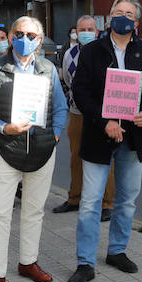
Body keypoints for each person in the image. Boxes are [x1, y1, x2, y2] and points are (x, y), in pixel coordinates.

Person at [67, 0, 142, 282]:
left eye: (129, 14)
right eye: (118, 12)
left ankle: (117, 251)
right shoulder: (92, 51)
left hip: (134, 138)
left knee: (126, 200)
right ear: (109, 17)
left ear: (136, 22)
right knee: (90, 202)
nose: (123, 17)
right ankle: (85, 263)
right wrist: (105, 121)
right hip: (100, 136)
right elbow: (81, 93)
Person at [0, 16, 67, 282]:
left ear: (39, 41)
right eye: (19, 33)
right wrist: (4, 127)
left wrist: (55, 136)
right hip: (6, 149)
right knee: (0, 214)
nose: (24, 39)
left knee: (34, 211)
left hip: (42, 150)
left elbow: (60, 107)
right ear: (11, 36)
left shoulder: (48, 69)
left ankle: (28, 262)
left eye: (31, 35)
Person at [54, 15, 114, 220]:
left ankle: (107, 203)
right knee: (76, 157)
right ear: (76, 33)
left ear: (96, 32)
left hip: (103, 114)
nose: (86, 32)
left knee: (106, 158)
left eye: (90, 29)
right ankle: (75, 198)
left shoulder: (106, 52)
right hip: (77, 112)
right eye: (82, 29)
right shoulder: (69, 54)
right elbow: (68, 81)